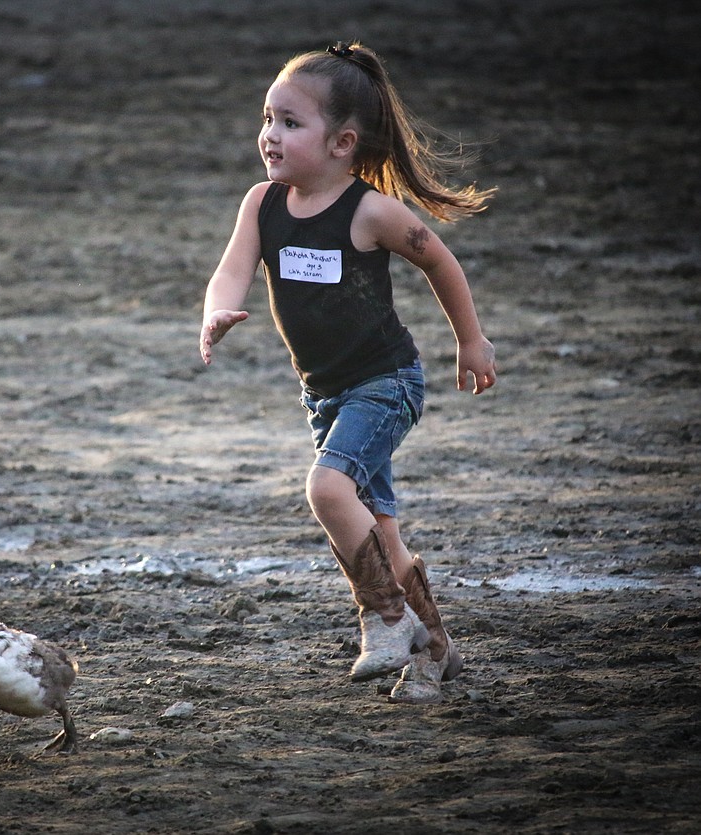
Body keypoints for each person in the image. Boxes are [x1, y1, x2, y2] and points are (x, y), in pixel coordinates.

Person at [199, 41, 497, 704]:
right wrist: (219, 309)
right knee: (380, 527)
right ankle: (436, 652)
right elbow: (232, 269)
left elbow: (440, 261)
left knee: (327, 490)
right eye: (267, 119)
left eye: (290, 123)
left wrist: (470, 340)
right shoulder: (263, 203)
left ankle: (386, 619)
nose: (270, 136)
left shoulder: (369, 211)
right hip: (325, 395)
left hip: (386, 383)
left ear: (343, 143)